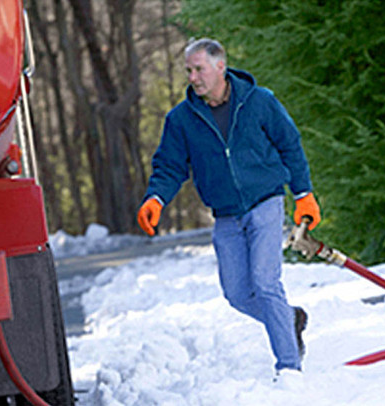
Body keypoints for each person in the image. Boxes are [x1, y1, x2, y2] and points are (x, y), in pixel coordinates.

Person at [137, 38, 321, 380]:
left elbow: (290, 145)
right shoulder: (181, 119)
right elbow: (169, 166)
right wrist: (156, 198)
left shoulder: (259, 101)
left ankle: (289, 368)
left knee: (266, 283)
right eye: (189, 70)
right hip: (225, 214)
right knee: (237, 293)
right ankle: (289, 318)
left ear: (220, 66)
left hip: (265, 202)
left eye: (199, 69)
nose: (193, 77)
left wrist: (303, 193)